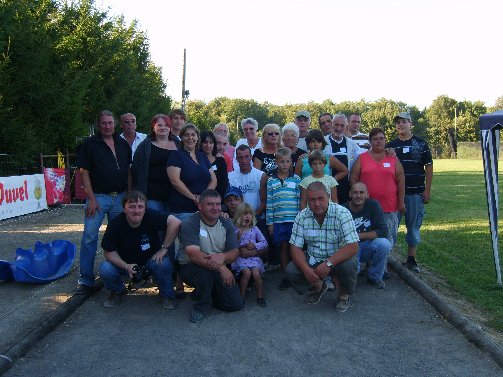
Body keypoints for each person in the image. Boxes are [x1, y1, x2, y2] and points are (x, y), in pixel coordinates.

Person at [75, 110, 131, 294]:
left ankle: (120, 271)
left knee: (121, 237)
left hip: (120, 198)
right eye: (104, 123)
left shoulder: (122, 144)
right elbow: (84, 172)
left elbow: (129, 172)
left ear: (115, 124)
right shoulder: (90, 144)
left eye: (110, 123)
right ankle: (86, 279)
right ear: (99, 125)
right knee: (90, 237)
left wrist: (129, 196)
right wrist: (91, 199)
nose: (107, 126)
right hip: (98, 198)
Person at [99, 191, 181, 308]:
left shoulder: (151, 215)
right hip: (126, 265)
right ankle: (118, 291)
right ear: (124, 209)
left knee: (164, 262)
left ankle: (167, 295)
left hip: (150, 261)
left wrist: (164, 248)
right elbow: (108, 252)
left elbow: (176, 222)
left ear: (145, 209)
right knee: (105, 268)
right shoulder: (115, 224)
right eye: (131, 207)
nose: (136, 210)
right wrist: (126, 266)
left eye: (140, 206)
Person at [286, 181, 359, 312]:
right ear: (307, 200)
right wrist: (306, 270)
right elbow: (295, 247)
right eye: (312, 200)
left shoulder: (342, 213)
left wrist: (328, 263)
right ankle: (319, 285)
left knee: (349, 265)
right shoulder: (301, 216)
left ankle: (344, 295)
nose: (317, 203)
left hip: (338, 257)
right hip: (314, 256)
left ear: (328, 197)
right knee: (291, 270)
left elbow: (353, 246)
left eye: (320, 198)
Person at [178, 189, 244, 322]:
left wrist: (223, 258)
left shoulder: (227, 223)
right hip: (192, 267)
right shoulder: (190, 223)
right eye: (210, 204)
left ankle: (204, 293)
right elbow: (194, 255)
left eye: (218, 204)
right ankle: (201, 307)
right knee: (205, 274)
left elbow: (234, 253)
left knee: (235, 304)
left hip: (216, 265)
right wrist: (222, 267)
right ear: (200, 206)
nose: (215, 208)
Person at [387, 112, 433, 273]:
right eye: (398, 122)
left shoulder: (421, 144)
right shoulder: (391, 146)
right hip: (394, 194)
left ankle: (411, 260)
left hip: (415, 193)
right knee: (391, 226)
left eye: (404, 122)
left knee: (413, 226)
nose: (400, 125)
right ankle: (387, 259)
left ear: (411, 124)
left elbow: (429, 166)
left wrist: (427, 190)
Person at [350, 128, 405, 245]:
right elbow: (353, 177)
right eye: (375, 139)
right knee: (369, 243)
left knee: (388, 241)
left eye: (381, 138)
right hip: (367, 208)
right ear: (370, 141)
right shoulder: (362, 158)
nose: (378, 141)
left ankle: (385, 262)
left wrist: (401, 202)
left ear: (385, 140)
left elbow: (401, 180)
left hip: (389, 207)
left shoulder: (392, 157)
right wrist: (359, 195)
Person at [343, 182, 391, 289]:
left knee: (384, 244)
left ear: (367, 195)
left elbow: (383, 231)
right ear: (350, 194)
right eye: (355, 192)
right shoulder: (343, 209)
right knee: (352, 278)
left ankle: (374, 277)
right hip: (349, 248)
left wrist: (357, 235)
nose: (358, 196)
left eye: (361, 192)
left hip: (367, 246)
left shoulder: (373, 205)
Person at [265, 147, 301, 290]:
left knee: (295, 248)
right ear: (276, 162)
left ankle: (297, 274)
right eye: (281, 161)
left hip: (294, 221)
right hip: (279, 222)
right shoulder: (271, 181)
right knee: (283, 248)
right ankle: (287, 276)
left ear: (291, 162)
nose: (285, 164)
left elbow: (300, 201)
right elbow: (269, 202)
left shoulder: (297, 180)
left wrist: (300, 221)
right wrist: (270, 223)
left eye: (287, 161)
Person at [131, 114, 179, 217]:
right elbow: (135, 169)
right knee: (155, 226)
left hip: (175, 195)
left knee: (173, 226)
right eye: (159, 125)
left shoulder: (178, 144)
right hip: (152, 195)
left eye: (166, 125)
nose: (163, 128)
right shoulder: (144, 146)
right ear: (153, 127)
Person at [167, 124, 217, 221]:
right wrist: (194, 198)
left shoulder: (202, 157)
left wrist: (203, 197)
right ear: (181, 138)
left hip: (203, 210)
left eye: (193, 135)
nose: (190, 138)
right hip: (182, 210)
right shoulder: (176, 155)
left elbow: (214, 179)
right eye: (186, 135)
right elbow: (175, 180)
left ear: (197, 138)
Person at [231, 203, 268, 307]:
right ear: (238, 217)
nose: (248, 216)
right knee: (246, 273)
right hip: (241, 258)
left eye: (250, 214)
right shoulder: (235, 230)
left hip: (253, 257)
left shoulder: (255, 229)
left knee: (256, 273)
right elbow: (232, 246)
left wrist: (255, 245)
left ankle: (260, 296)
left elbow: (264, 242)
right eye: (244, 214)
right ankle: (241, 296)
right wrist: (238, 238)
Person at [324, 113, 362, 204]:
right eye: (336, 124)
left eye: (342, 125)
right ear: (331, 125)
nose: (339, 128)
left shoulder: (351, 143)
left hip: (346, 188)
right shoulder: (323, 141)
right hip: (327, 187)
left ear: (346, 126)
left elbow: (363, 155)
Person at [228, 145, 265, 214]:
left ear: (251, 157)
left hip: (257, 218)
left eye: (246, 157)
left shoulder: (261, 176)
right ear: (236, 158)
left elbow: (263, 202)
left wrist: (253, 218)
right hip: (237, 218)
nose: (243, 160)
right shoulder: (230, 177)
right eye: (240, 157)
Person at [200, 131, 229, 199]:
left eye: (211, 142)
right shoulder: (195, 160)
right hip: (198, 198)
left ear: (214, 144)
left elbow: (223, 184)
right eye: (205, 142)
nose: (208, 145)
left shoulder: (220, 161)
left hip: (216, 199)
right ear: (200, 143)